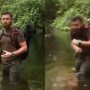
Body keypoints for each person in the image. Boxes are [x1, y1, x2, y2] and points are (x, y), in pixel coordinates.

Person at [0, 12, 27, 83]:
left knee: (13, 84)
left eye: (7, 19)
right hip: (4, 63)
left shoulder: (17, 33)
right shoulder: (0, 33)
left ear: (11, 20)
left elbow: (24, 47)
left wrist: (12, 54)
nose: (5, 20)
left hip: (14, 63)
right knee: (4, 83)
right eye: (3, 19)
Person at [70, 16, 90, 81]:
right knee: (76, 71)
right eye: (73, 25)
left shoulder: (87, 29)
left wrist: (79, 42)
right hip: (81, 55)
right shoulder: (72, 31)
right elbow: (72, 42)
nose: (74, 27)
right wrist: (76, 48)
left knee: (82, 74)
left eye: (76, 25)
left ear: (82, 24)